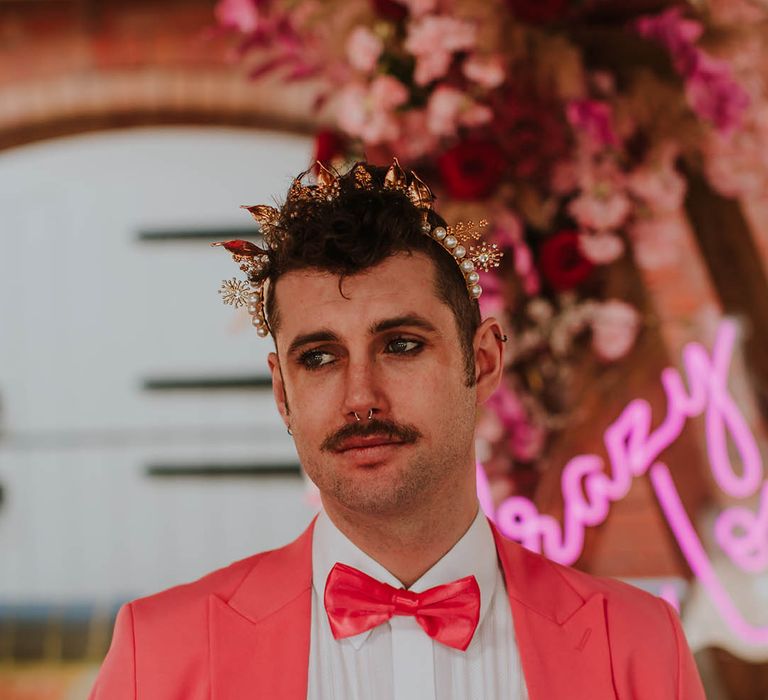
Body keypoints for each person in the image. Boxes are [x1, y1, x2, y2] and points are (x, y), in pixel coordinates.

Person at [90, 160, 705, 699]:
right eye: (320, 357)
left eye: (402, 345)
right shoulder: (162, 653)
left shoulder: (640, 646)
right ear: (282, 391)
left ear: (483, 361)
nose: (362, 397)